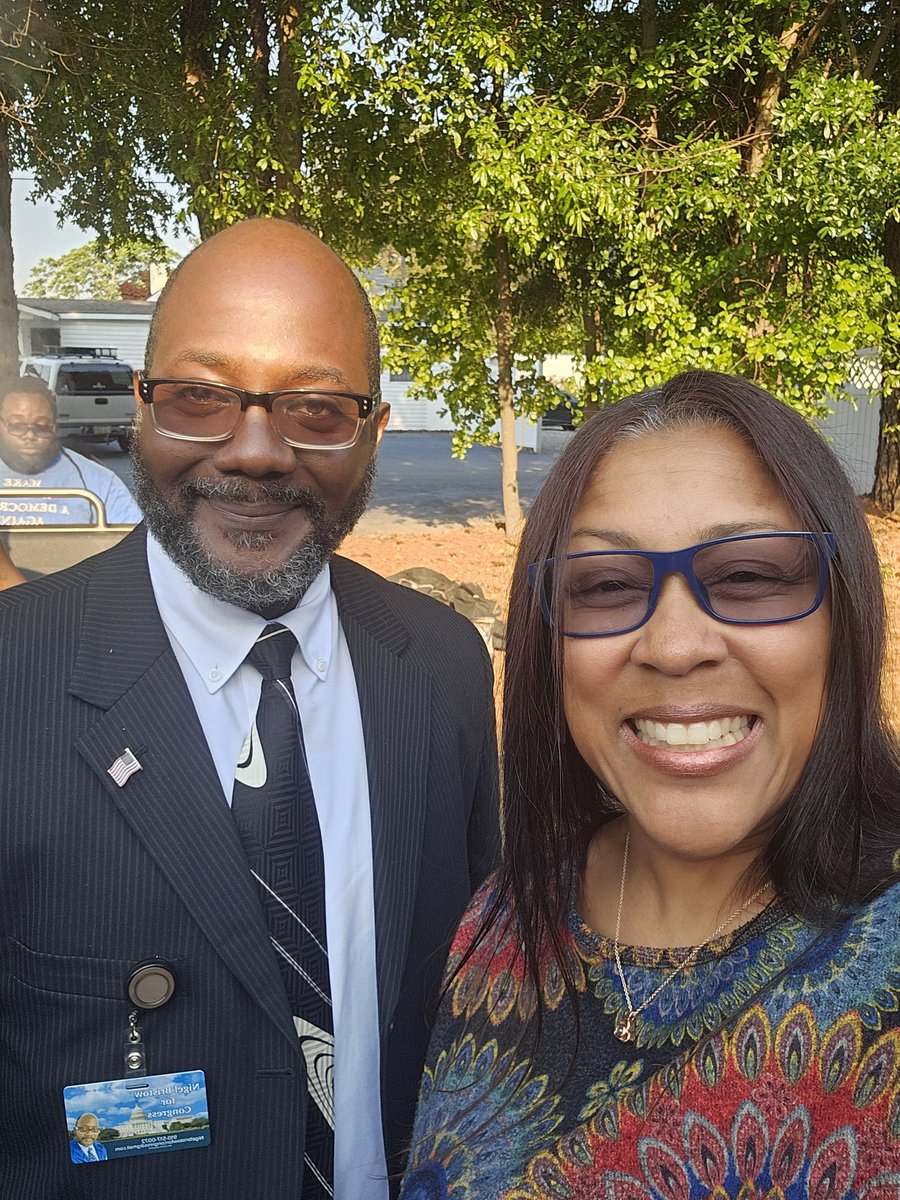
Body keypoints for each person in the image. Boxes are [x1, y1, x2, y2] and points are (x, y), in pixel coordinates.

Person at [0, 218, 499, 1198]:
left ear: (373, 430)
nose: (259, 451)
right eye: (200, 397)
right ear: (139, 408)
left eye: (315, 408)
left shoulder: (441, 668)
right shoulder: (17, 677)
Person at [401, 371, 900, 1199]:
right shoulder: (498, 924)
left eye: (747, 576)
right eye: (605, 587)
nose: (674, 645)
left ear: (842, 614)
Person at [0, 374, 141, 525]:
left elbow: (133, 539)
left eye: (41, 426)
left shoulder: (99, 481)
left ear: (54, 427)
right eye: (16, 425)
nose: (29, 435)